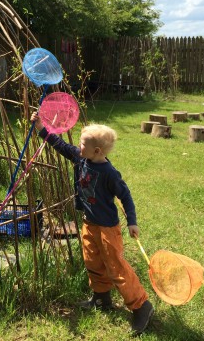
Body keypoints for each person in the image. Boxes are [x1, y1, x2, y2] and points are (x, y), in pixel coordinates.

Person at [31, 112, 154, 335]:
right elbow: (59, 144)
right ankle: (101, 297)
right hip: (89, 223)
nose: (78, 146)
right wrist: (41, 128)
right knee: (92, 261)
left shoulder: (109, 173)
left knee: (116, 266)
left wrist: (132, 222)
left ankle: (141, 305)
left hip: (108, 227)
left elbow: (125, 196)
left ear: (97, 151)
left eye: (82, 143)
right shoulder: (81, 158)